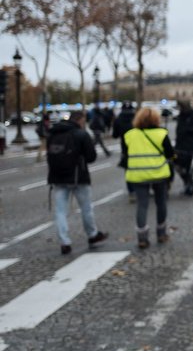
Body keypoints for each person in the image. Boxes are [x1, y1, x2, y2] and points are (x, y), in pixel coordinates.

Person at [46, 110, 109, 255]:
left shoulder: (53, 134)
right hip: (78, 176)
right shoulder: (81, 134)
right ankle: (92, 235)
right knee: (86, 208)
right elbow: (91, 157)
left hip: (57, 177)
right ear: (80, 120)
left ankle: (64, 242)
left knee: (60, 211)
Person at [122, 107, 174, 249]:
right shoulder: (161, 134)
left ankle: (142, 238)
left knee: (142, 205)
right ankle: (161, 233)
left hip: (138, 174)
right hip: (158, 174)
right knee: (161, 202)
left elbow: (125, 155)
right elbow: (170, 153)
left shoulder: (129, 135)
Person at [174, 100, 193, 196]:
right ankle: (188, 184)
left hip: (190, 146)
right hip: (181, 145)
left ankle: (189, 186)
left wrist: (188, 130)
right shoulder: (182, 115)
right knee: (178, 165)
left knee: (185, 167)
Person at [112, 101, 137, 201]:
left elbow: (115, 135)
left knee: (128, 170)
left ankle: (131, 191)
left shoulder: (118, 119)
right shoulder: (137, 118)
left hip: (125, 148)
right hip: (139, 146)